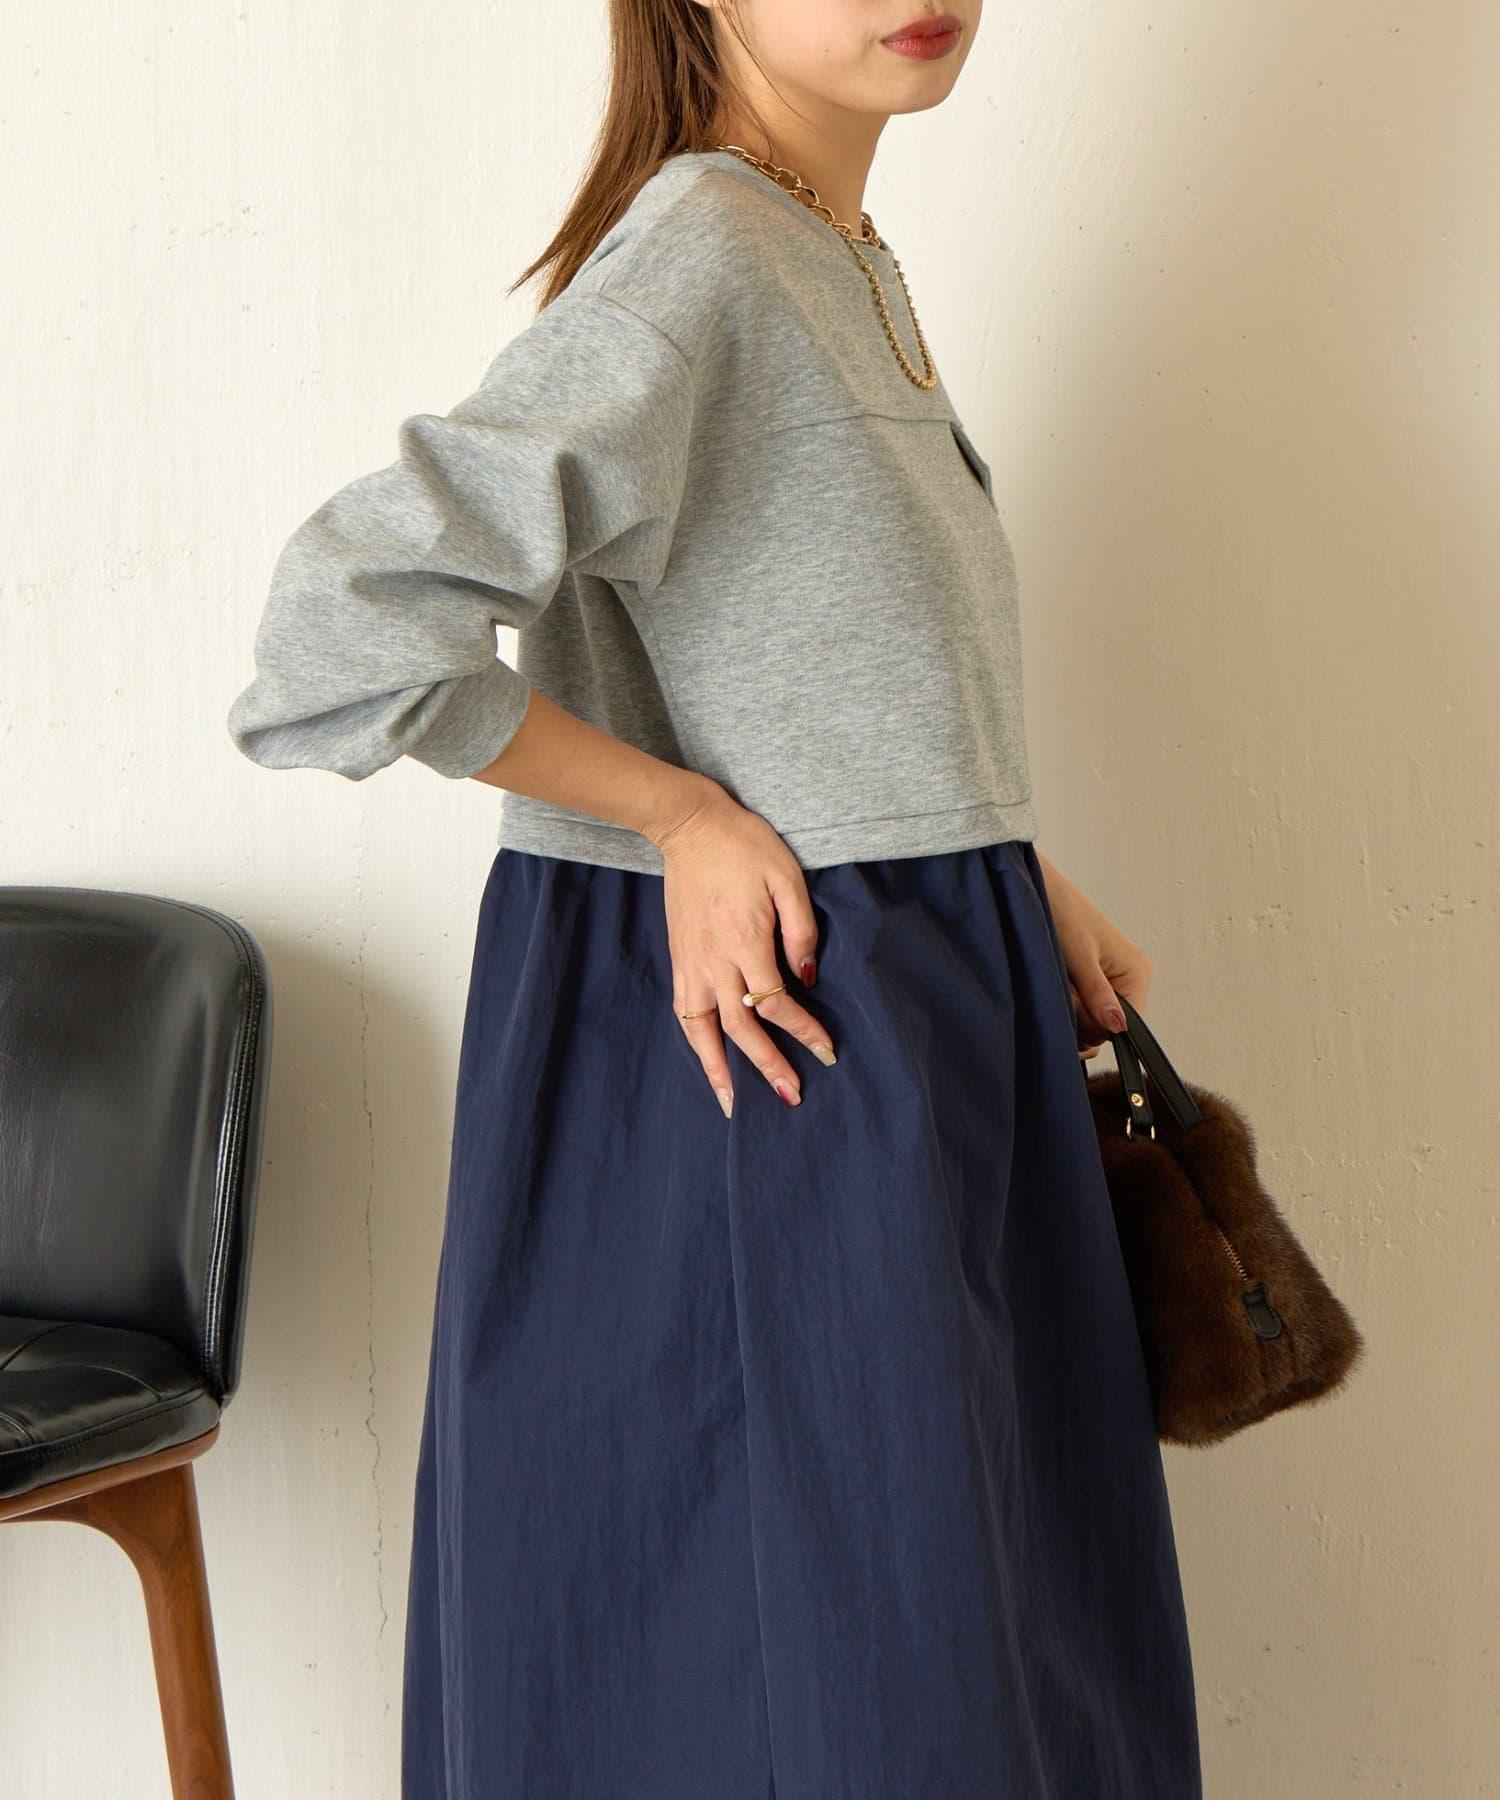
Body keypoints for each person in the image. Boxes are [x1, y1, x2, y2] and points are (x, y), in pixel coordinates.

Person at [228, 1, 1202, 1793]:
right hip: (777, 1062)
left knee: (966, 1637)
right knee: (848, 1664)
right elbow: (337, 636)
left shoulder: (827, 249)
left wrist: (1003, 855)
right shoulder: (706, 258)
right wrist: (677, 818)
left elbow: (798, 653)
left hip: (905, 1012)